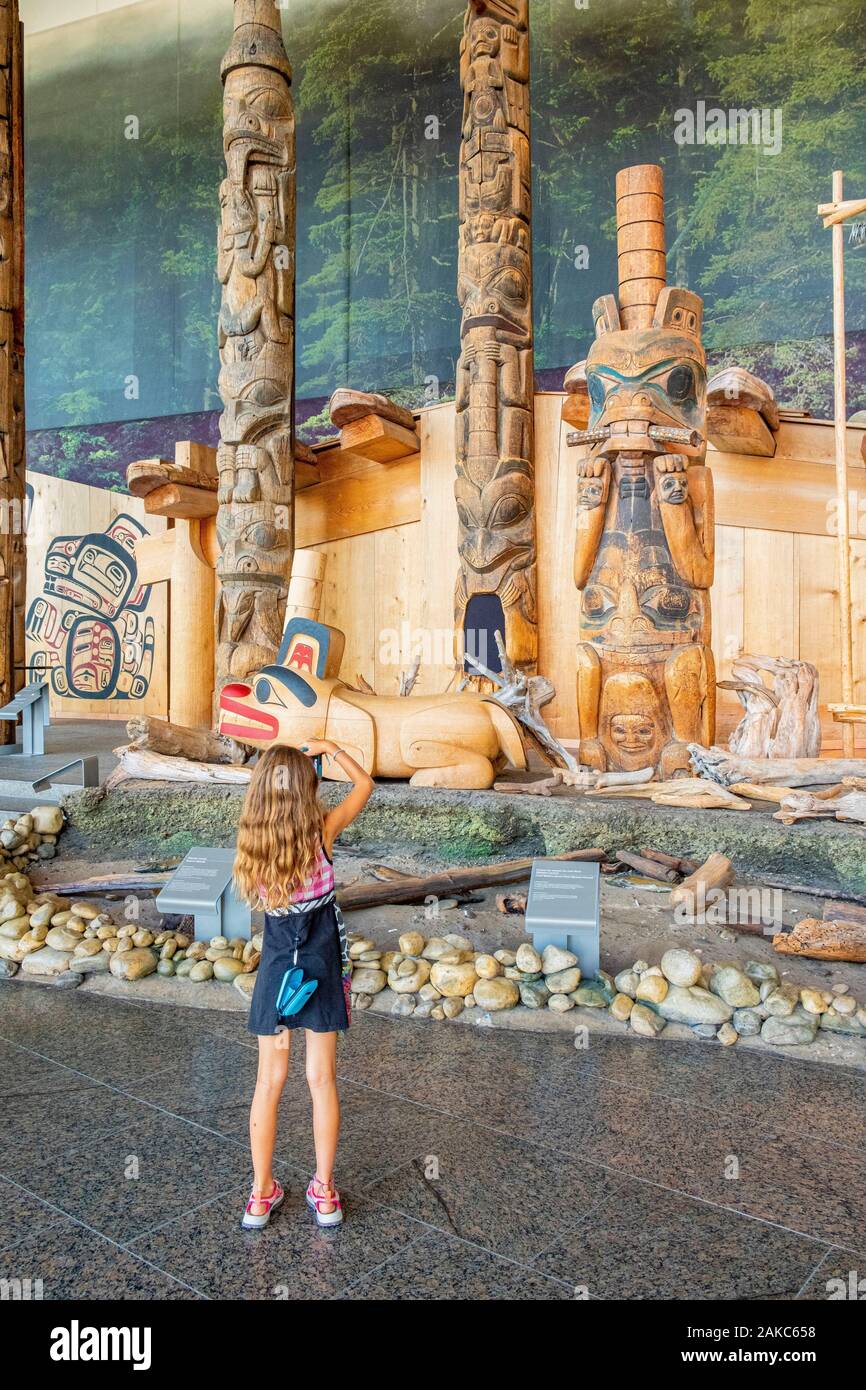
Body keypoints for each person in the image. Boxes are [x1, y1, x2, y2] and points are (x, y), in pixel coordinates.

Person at [232, 740, 374, 1231]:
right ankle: (325, 1192)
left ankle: (259, 1194)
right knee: (321, 1081)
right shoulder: (323, 832)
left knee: (268, 1083)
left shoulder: (254, 844)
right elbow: (365, 786)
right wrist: (334, 749)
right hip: (320, 965)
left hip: (276, 969)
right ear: (307, 788)